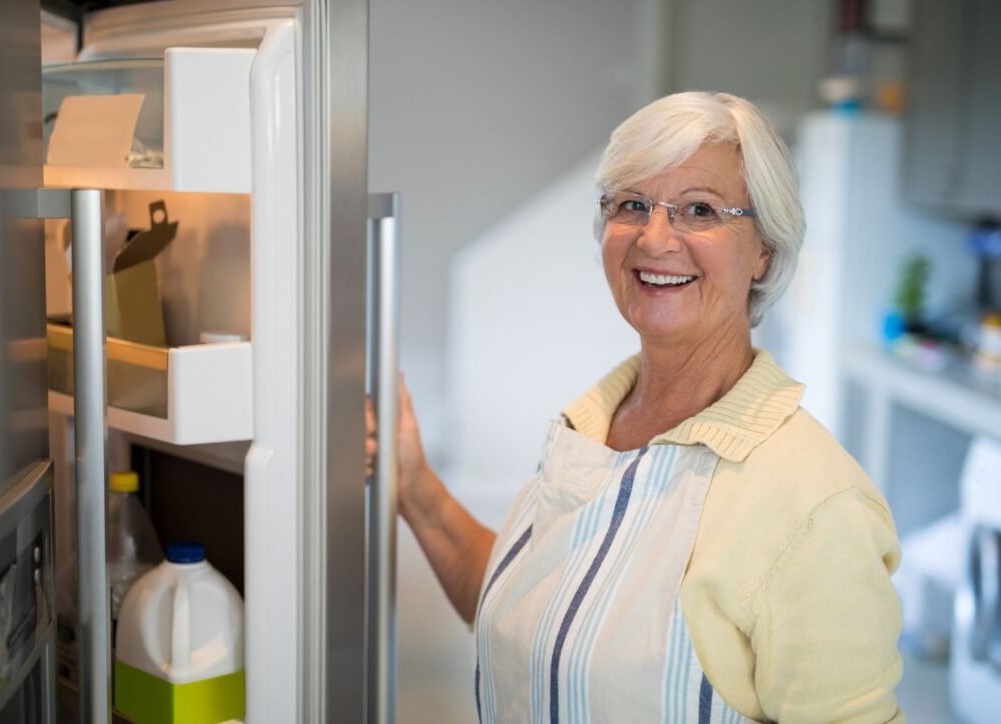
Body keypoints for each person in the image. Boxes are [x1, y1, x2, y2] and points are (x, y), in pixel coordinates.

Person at [369, 91, 903, 723]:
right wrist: (416, 487)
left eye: (699, 210)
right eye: (631, 205)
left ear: (764, 249)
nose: (654, 238)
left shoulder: (815, 505)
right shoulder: (591, 428)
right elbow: (543, 620)